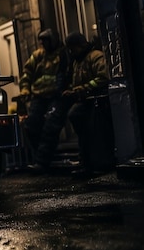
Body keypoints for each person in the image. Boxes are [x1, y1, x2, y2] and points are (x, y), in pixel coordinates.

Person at [18, 28, 70, 174]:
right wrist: (25, 90)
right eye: (42, 42)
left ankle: (42, 161)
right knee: (31, 125)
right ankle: (42, 156)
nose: (43, 45)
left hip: (56, 96)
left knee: (50, 126)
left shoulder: (62, 54)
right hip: (39, 97)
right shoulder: (38, 55)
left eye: (46, 41)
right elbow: (27, 73)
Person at [63, 31, 112, 177]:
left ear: (81, 45)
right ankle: (87, 163)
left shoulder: (95, 56)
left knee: (94, 133)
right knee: (84, 133)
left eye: (73, 48)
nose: (71, 52)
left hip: (97, 101)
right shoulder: (78, 61)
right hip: (85, 101)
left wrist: (80, 89)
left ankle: (97, 163)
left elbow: (102, 77)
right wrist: (74, 91)